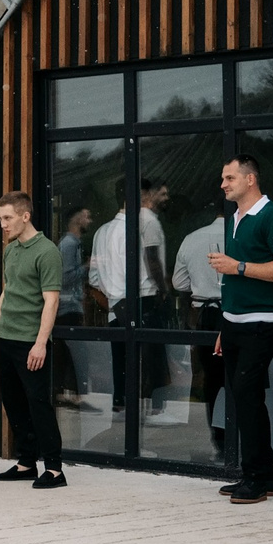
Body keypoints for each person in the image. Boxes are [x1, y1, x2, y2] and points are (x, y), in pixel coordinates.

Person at [207, 154, 273, 504]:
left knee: (247, 397)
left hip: (264, 323)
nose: (223, 184)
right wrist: (224, 326)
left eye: (229, 178)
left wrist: (238, 266)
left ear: (250, 179)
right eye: (223, 178)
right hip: (234, 323)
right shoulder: (235, 218)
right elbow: (233, 282)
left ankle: (257, 479)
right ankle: (263, 477)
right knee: (243, 398)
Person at [0, 191, 67, 490]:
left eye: (8, 218)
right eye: (0, 219)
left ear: (26, 216)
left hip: (31, 342)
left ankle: (54, 469)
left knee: (39, 404)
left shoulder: (47, 251)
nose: (3, 224)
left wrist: (40, 343)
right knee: (14, 403)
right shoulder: (11, 251)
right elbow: (7, 294)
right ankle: (27, 463)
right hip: (7, 340)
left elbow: (51, 302)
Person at [90, 182, 170, 419]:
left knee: (121, 360)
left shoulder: (101, 231)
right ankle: (151, 413)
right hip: (141, 300)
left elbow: (94, 277)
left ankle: (122, 410)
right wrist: (161, 290)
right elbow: (140, 269)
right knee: (148, 360)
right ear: (141, 196)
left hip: (115, 304)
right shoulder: (136, 230)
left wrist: (113, 297)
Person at [170, 215, 228, 453]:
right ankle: (250, 440)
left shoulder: (193, 238)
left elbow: (179, 283)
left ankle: (221, 439)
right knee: (245, 377)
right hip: (236, 309)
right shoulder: (241, 235)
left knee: (213, 380)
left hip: (206, 314)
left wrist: (202, 284)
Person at [51, 206, 97, 407]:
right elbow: (66, 277)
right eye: (87, 216)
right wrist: (87, 267)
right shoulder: (69, 244)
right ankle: (73, 395)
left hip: (69, 305)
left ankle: (64, 394)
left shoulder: (72, 244)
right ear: (76, 218)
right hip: (68, 306)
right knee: (76, 352)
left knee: (67, 352)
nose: (90, 220)